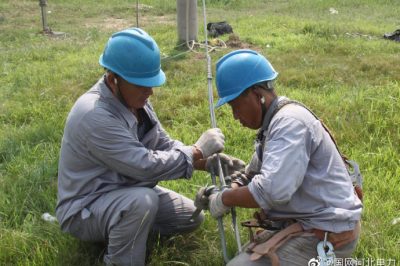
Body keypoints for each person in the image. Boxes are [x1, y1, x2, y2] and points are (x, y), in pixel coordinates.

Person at [55, 28, 245, 266]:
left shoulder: (134, 100)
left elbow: (162, 143)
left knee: (189, 218)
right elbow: (144, 166)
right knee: (142, 202)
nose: (150, 91)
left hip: (125, 189)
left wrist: (207, 164)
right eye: (143, 85)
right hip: (87, 207)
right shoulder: (94, 115)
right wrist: (196, 150)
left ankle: (127, 230)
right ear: (114, 80)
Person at [198, 49, 363, 265]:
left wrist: (225, 199)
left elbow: (271, 190)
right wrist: (231, 187)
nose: (235, 115)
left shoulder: (289, 124)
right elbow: (254, 174)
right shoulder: (274, 123)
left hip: (328, 233)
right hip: (306, 223)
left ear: (258, 95)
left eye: (235, 105)